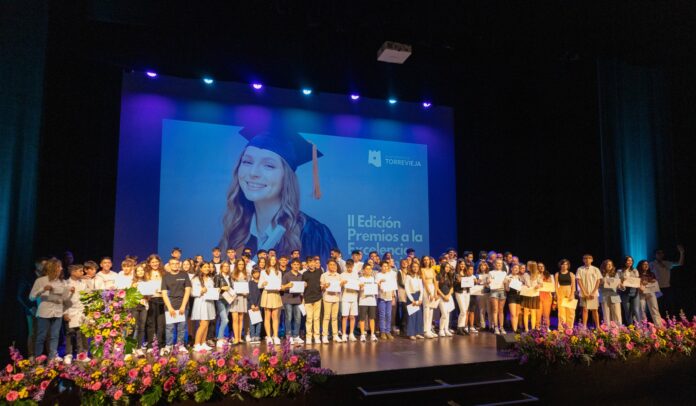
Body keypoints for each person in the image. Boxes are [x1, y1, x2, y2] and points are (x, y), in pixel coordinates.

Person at [219, 130, 337, 260]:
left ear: (286, 177)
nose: (253, 173)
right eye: (247, 162)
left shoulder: (312, 234)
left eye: (269, 165)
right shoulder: (237, 230)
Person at [29, 258, 66, 359]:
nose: (61, 268)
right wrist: (43, 289)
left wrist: (68, 293)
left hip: (57, 312)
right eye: (59, 266)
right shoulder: (40, 281)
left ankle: (52, 359)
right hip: (44, 312)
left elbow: (65, 298)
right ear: (52, 268)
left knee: (55, 336)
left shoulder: (62, 282)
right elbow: (31, 297)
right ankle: (38, 359)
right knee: (41, 336)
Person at [161, 258, 192, 350]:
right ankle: (169, 346)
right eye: (173, 263)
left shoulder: (184, 275)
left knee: (182, 327)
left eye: (177, 263)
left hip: (183, 305)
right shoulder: (165, 276)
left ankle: (180, 345)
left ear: (179, 264)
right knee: (169, 328)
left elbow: (187, 291)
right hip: (170, 305)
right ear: (169, 265)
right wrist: (170, 308)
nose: (175, 265)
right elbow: (164, 293)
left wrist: (183, 306)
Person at [650, 245, 685, 314]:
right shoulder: (652, 264)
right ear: (655, 255)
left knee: (668, 304)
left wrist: (682, 253)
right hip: (657, 288)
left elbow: (680, 263)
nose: (660, 254)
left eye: (662, 253)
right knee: (658, 305)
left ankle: (669, 318)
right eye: (658, 253)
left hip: (667, 287)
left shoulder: (667, 263)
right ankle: (659, 318)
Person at [63, 264, 88, 360]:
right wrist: (64, 313)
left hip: (80, 311)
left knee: (80, 334)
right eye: (80, 271)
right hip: (70, 311)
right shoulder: (65, 284)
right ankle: (68, 354)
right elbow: (62, 301)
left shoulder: (83, 284)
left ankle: (80, 354)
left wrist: (86, 312)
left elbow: (85, 298)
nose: (83, 272)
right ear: (73, 272)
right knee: (69, 333)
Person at [259, 259, 283, 345]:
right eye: (271, 260)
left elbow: (279, 285)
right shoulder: (263, 272)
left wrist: (280, 287)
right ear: (268, 261)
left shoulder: (279, 272)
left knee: (275, 316)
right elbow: (259, 285)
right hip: (267, 294)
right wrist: (263, 284)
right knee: (267, 316)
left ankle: (275, 336)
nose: (273, 261)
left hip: (275, 294)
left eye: (274, 260)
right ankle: (268, 336)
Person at [281, 259, 304, 344]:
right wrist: (287, 285)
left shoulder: (301, 275)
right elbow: (281, 287)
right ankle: (289, 336)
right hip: (288, 299)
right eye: (294, 264)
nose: (296, 266)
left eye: (297, 264)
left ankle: (296, 336)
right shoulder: (287, 275)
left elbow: (302, 288)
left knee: (298, 318)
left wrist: (304, 285)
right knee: (289, 318)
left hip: (297, 299)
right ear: (291, 265)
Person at [145, 255, 166, 347]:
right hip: (151, 299)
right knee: (151, 323)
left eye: (156, 262)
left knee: (161, 323)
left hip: (162, 299)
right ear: (149, 263)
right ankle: (150, 344)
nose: (155, 264)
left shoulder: (163, 272)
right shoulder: (146, 273)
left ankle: (161, 344)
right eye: (152, 262)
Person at [320, 259, 343, 343]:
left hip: (336, 298)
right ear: (328, 265)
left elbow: (340, 287)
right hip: (327, 298)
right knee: (326, 317)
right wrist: (324, 286)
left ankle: (335, 335)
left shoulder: (339, 275)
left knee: (334, 317)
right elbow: (321, 287)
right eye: (331, 264)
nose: (332, 266)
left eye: (334, 265)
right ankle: (325, 335)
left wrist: (342, 284)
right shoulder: (324, 275)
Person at [576, 255, 602, 328]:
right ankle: (584, 327)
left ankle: (598, 327)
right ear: (583, 260)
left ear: (592, 260)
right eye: (585, 258)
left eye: (589, 258)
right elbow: (579, 280)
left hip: (593, 293)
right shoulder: (580, 269)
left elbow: (598, 281)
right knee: (585, 309)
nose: (587, 260)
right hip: (584, 293)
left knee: (595, 310)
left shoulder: (595, 269)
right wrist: (584, 292)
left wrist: (593, 292)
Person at [301, 256, 322, 345]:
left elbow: (322, 283)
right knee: (309, 318)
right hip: (308, 298)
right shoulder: (304, 274)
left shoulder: (320, 272)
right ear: (307, 264)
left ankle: (316, 336)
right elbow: (302, 286)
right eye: (310, 262)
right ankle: (309, 336)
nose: (312, 264)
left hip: (317, 298)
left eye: (313, 262)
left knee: (316, 318)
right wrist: (303, 285)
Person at [638, 260, 664, 327]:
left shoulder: (651, 274)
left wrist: (653, 281)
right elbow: (636, 283)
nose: (646, 265)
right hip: (641, 293)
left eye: (647, 264)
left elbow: (654, 283)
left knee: (654, 308)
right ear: (640, 266)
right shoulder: (637, 274)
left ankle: (659, 326)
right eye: (644, 264)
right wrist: (641, 283)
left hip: (651, 292)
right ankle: (643, 327)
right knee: (642, 310)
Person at [454, 262, 477, 334]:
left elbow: (470, 281)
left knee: (465, 310)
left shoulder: (466, 273)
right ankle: (459, 327)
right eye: (461, 264)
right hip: (459, 292)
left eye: (463, 264)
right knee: (463, 310)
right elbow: (458, 281)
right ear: (458, 265)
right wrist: (463, 280)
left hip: (466, 292)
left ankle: (462, 327)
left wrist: (474, 281)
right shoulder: (456, 274)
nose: (462, 265)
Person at [376, 261, 397, 339]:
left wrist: (393, 295)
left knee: (388, 315)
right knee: (382, 315)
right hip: (381, 297)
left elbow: (393, 286)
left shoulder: (390, 275)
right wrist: (380, 283)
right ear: (381, 267)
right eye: (383, 266)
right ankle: (382, 332)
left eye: (386, 266)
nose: (385, 268)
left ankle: (388, 331)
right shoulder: (378, 275)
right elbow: (376, 284)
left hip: (389, 297)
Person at [229, 259, 249, 345]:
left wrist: (246, 292)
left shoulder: (247, 274)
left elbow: (248, 286)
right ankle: (236, 338)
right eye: (239, 264)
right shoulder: (232, 274)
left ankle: (240, 337)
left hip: (243, 298)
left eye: (242, 264)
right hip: (235, 298)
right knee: (235, 318)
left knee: (241, 319)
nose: (241, 266)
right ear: (236, 265)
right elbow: (230, 287)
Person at [340, 259, 360, 341]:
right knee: (345, 316)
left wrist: (360, 286)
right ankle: (344, 334)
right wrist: (342, 283)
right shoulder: (342, 275)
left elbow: (358, 285)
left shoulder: (356, 274)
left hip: (354, 297)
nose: (349, 268)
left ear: (353, 266)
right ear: (346, 266)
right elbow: (339, 286)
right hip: (345, 297)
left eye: (351, 267)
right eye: (348, 267)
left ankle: (351, 333)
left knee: (352, 316)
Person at [130, 263, 150, 348]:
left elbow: (148, 295)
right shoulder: (133, 283)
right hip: (135, 306)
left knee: (142, 327)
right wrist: (133, 289)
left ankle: (139, 347)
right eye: (138, 271)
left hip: (143, 307)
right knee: (133, 327)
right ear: (135, 272)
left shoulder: (147, 282)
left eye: (142, 270)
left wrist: (147, 298)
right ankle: (129, 347)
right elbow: (129, 296)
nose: (140, 272)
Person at [618, 256, 641, 325]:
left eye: (631, 261)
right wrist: (621, 282)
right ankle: (631, 326)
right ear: (625, 261)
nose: (630, 262)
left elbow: (637, 280)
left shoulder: (635, 270)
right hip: (625, 292)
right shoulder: (620, 271)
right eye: (628, 260)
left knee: (636, 310)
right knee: (628, 311)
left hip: (635, 292)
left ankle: (640, 326)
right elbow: (617, 281)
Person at [214, 261, 233, 345]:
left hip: (228, 299)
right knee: (225, 319)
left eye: (227, 266)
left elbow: (231, 288)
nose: (226, 268)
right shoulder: (217, 276)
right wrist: (222, 288)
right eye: (224, 266)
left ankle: (222, 338)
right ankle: (219, 339)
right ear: (221, 268)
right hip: (220, 299)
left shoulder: (229, 277)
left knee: (224, 320)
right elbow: (215, 289)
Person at [358, 264, 378, 342]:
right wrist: (360, 286)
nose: (368, 270)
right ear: (363, 270)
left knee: (372, 318)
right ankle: (362, 334)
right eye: (367, 269)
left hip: (372, 301)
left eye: (370, 269)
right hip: (363, 301)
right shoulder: (360, 279)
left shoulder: (373, 279)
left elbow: (376, 289)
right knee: (362, 318)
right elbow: (358, 289)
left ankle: (372, 334)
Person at [405, 261, 425, 340]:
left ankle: (418, 333)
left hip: (418, 296)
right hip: (411, 297)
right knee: (412, 316)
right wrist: (411, 299)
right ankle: (411, 333)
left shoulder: (419, 276)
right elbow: (407, 289)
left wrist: (420, 299)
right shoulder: (408, 276)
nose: (415, 268)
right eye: (414, 266)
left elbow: (421, 288)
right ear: (411, 268)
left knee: (418, 316)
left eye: (417, 266)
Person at [521, 261, 543, 332]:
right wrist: (524, 285)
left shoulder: (538, 275)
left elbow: (541, 284)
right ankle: (526, 329)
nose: (527, 267)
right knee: (526, 312)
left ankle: (533, 329)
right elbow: (521, 282)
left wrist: (538, 285)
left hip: (534, 294)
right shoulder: (525, 274)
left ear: (531, 267)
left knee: (533, 312)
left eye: (528, 265)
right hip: (527, 294)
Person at [420, 256, 439, 338]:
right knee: (426, 309)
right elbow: (424, 282)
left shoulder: (432, 270)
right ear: (423, 261)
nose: (426, 261)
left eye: (427, 260)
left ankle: (429, 329)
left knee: (431, 309)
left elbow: (435, 282)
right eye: (424, 260)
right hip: (426, 289)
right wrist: (430, 293)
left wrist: (435, 293)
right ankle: (425, 330)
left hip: (432, 288)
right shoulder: (422, 270)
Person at [599, 259, 622, 325]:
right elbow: (597, 285)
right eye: (608, 264)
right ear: (604, 266)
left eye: (611, 265)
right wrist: (601, 282)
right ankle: (608, 328)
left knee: (617, 313)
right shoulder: (600, 274)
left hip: (614, 295)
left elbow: (618, 285)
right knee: (606, 313)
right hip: (604, 295)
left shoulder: (615, 274)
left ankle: (618, 328)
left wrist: (621, 285)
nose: (610, 266)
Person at [488, 259, 507, 335]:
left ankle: (501, 327)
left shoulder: (504, 273)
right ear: (494, 264)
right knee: (495, 310)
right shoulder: (491, 272)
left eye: (500, 263)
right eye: (497, 263)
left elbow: (506, 282)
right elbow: (489, 281)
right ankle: (496, 327)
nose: (499, 265)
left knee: (501, 310)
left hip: (502, 291)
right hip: (494, 291)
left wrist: (507, 282)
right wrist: (488, 281)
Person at [555, 259, 576, 328]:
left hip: (569, 291)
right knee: (561, 311)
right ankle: (561, 328)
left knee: (571, 311)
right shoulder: (557, 274)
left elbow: (573, 285)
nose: (564, 266)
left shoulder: (571, 274)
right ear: (560, 265)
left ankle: (570, 328)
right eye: (563, 264)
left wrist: (572, 294)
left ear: (568, 266)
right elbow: (556, 286)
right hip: (561, 291)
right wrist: (557, 295)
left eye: (566, 264)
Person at [436, 262, 455, 337]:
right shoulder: (438, 275)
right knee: (444, 314)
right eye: (446, 267)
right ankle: (441, 330)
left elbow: (452, 288)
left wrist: (448, 295)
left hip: (448, 296)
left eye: (448, 267)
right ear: (443, 267)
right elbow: (437, 288)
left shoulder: (450, 276)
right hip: (441, 297)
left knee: (447, 314)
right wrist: (443, 296)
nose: (448, 268)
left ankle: (446, 329)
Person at [505, 264, 523, 333]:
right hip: (511, 296)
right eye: (515, 268)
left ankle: (515, 329)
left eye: (517, 268)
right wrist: (508, 283)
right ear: (511, 269)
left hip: (518, 296)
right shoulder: (508, 277)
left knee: (517, 314)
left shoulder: (520, 277)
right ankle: (514, 330)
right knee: (513, 314)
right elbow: (507, 289)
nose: (516, 269)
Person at [247, 267, 263, 343]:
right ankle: (252, 335)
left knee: (259, 321)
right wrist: (252, 304)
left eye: (257, 273)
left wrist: (258, 305)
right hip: (251, 305)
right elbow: (249, 294)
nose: (256, 274)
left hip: (259, 305)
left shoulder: (261, 284)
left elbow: (261, 295)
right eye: (254, 273)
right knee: (252, 321)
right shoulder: (250, 283)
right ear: (252, 274)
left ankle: (257, 335)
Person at [537, 262, 554, 330]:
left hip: (547, 295)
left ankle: (546, 327)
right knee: (538, 313)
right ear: (537, 268)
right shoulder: (535, 275)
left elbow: (552, 286)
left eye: (542, 266)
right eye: (539, 266)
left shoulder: (549, 275)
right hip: (538, 295)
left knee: (546, 313)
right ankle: (537, 326)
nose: (541, 267)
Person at [476, 261, 492, 331]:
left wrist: (488, 283)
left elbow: (492, 284)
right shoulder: (477, 275)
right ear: (479, 267)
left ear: (486, 267)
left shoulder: (489, 274)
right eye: (481, 266)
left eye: (484, 265)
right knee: (482, 310)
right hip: (480, 293)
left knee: (489, 310)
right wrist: (477, 282)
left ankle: (491, 326)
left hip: (488, 293)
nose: (483, 267)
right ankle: (482, 325)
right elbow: (475, 284)